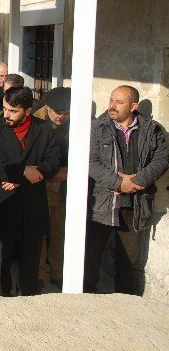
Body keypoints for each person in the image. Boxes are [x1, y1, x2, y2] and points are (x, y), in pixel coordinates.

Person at [85, 85, 169, 294]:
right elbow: (90, 162)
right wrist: (117, 182)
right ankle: (86, 300)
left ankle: (125, 304)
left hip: (134, 203)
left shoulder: (152, 129)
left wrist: (140, 180)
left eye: (119, 102)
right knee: (91, 256)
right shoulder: (97, 127)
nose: (112, 106)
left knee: (128, 261)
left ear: (134, 106)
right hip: (102, 203)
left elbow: (162, 158)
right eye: (112, 100)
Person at [0, 86, 60, 296]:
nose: (6, 115)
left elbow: (53, 162)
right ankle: (0, 298)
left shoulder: (44, 129)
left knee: (31, 262)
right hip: (4, 206)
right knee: (2, 260)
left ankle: (29, 301)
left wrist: (23, 179)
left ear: (28, 111)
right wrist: (21, 173)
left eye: (13, 111)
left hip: (33, 207)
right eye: (5, 109)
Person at [35, 87, 70, 290]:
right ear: (47, 108)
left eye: (65, 113)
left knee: (59, 232)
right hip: (42, 185)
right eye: (57, 112)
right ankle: (38, 272)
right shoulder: (36, 123)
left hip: (65, 187)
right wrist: (51, 172)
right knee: (39, 233)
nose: (61, 117)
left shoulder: (77, 124)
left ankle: (57, 272)